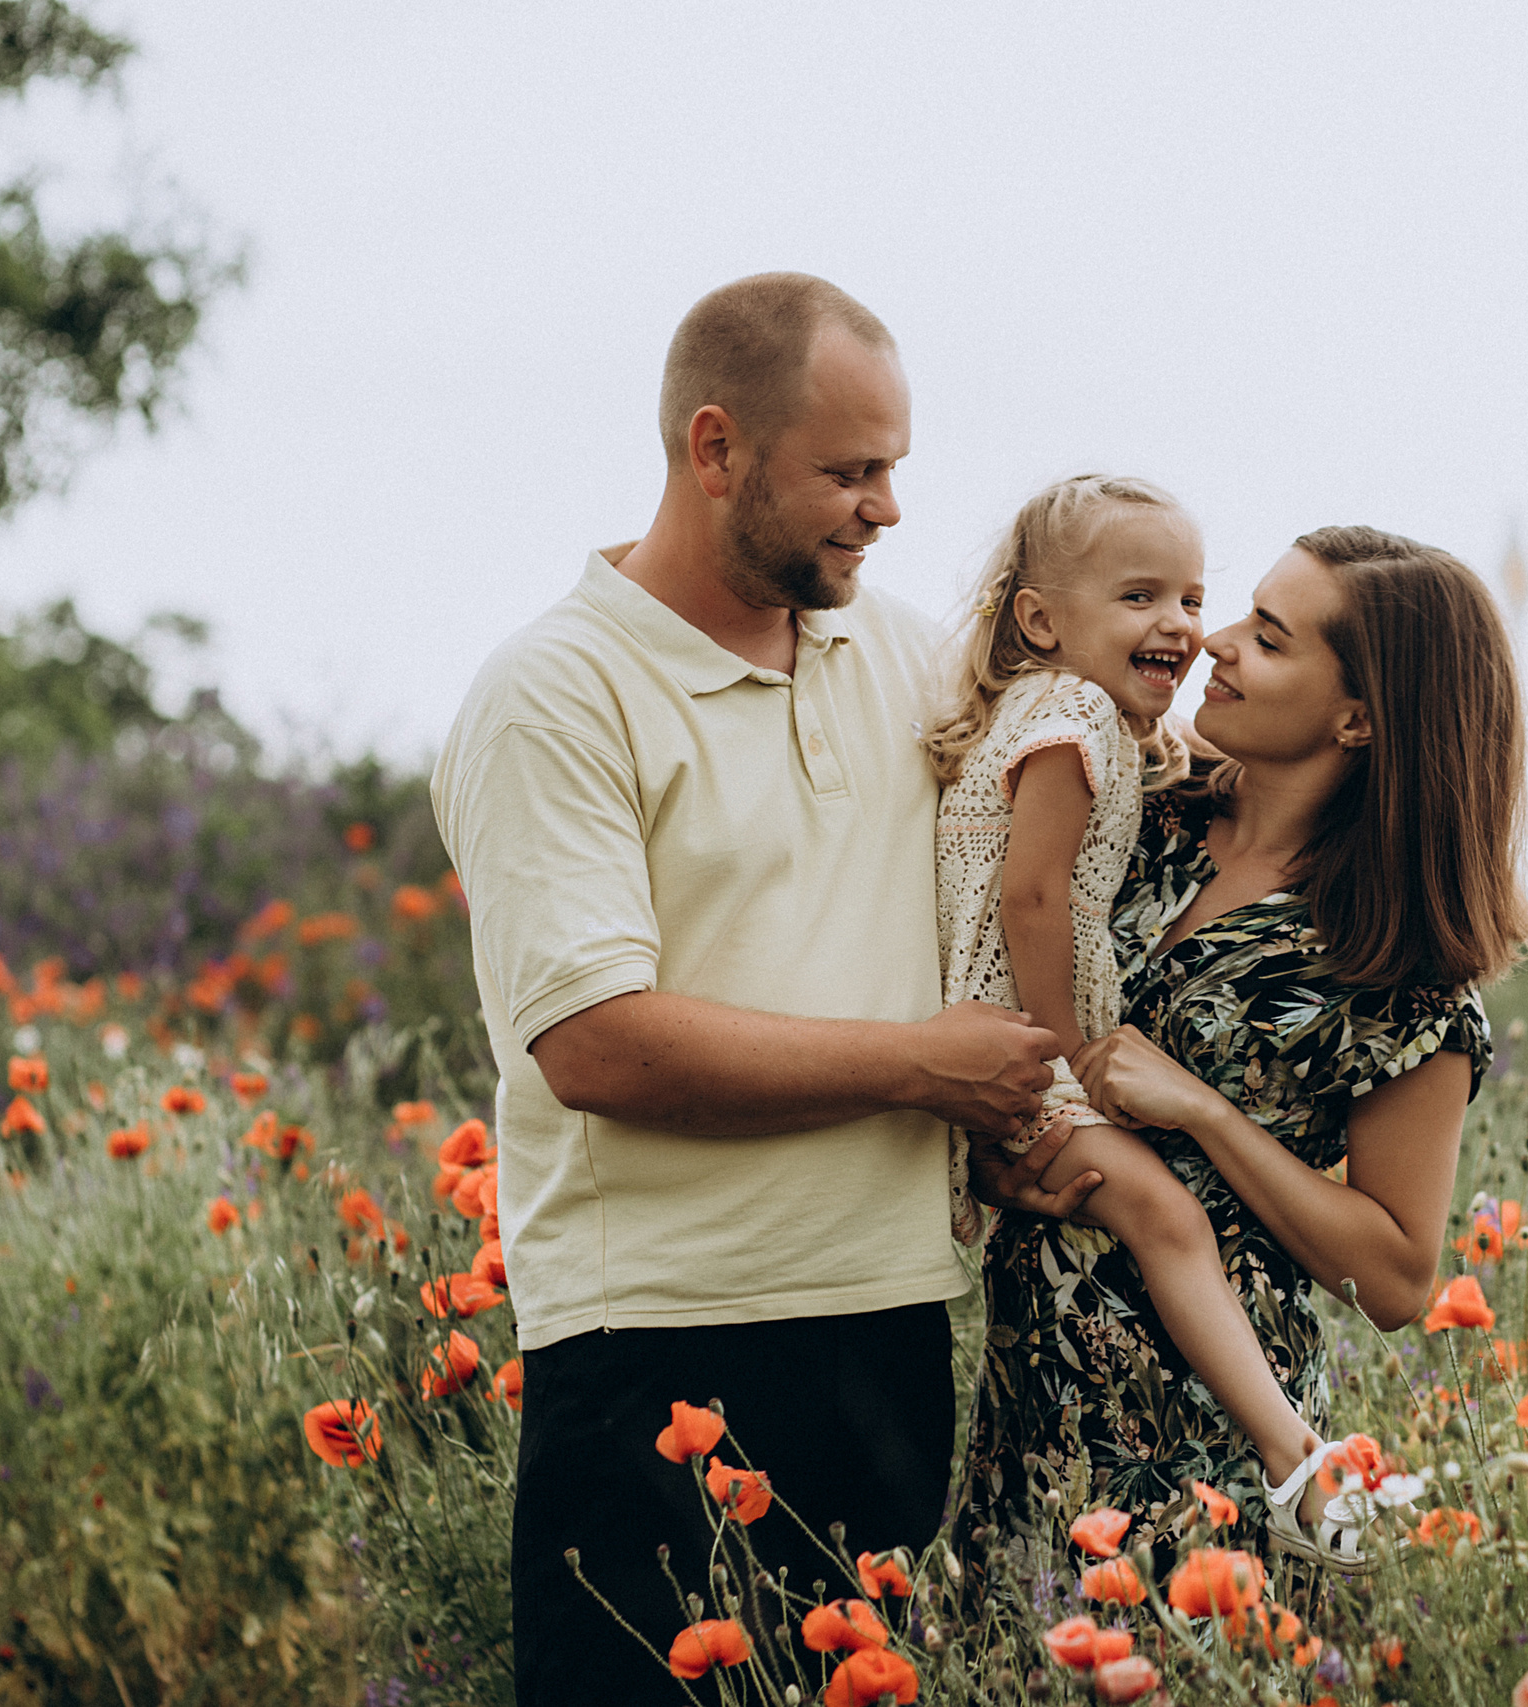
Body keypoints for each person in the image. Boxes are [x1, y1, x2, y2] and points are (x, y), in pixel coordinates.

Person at [429, 272, 1063, 1705]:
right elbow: (598, 1044)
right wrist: (923, 1065)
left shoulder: (905, 654)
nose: (887, 506)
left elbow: (1082, 780)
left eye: (893, 466)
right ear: (715, 450)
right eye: (849, 470)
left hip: (894, 1325)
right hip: (659, 1348)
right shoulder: (557, 692)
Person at [961, 524, 1528, 1567]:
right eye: (1241, 614)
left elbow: (1398, 1281)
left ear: (1358, 717)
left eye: (1268, 639)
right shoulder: (1140, 817)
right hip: (1023, 1408)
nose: (1213, 641)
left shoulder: (1399, 972)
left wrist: (1205, 1112)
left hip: (1206, 1458)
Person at [922, 475, 1370, 1564]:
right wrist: (1057, 1059)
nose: (1189, 629)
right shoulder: (1078, 724)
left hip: (1169, 1456)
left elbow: (1397, 1275)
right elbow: (1031, 898)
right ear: (1040, 619)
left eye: (1196, 598)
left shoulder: (1084, 726)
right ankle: (1298, 1458)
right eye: (1142, 597)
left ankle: (1287, 1457)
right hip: (1017, 1056)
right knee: (1168, 1215)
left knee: (1163, 1217)